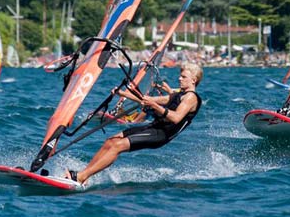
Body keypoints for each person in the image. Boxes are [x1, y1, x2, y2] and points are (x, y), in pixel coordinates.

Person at [65, 63, 203, 185]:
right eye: (180, 75)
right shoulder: (177, 95)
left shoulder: (191, 98)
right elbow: (146, 99)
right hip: (153, 127)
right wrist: (122, 93)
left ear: (193, 80)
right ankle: (85, 175)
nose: (179, 78)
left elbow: (176, 118)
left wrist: (155, 106)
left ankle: (81, 177)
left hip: (161, 134)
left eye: (183, 77)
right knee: (111, 141)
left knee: (118, 146)